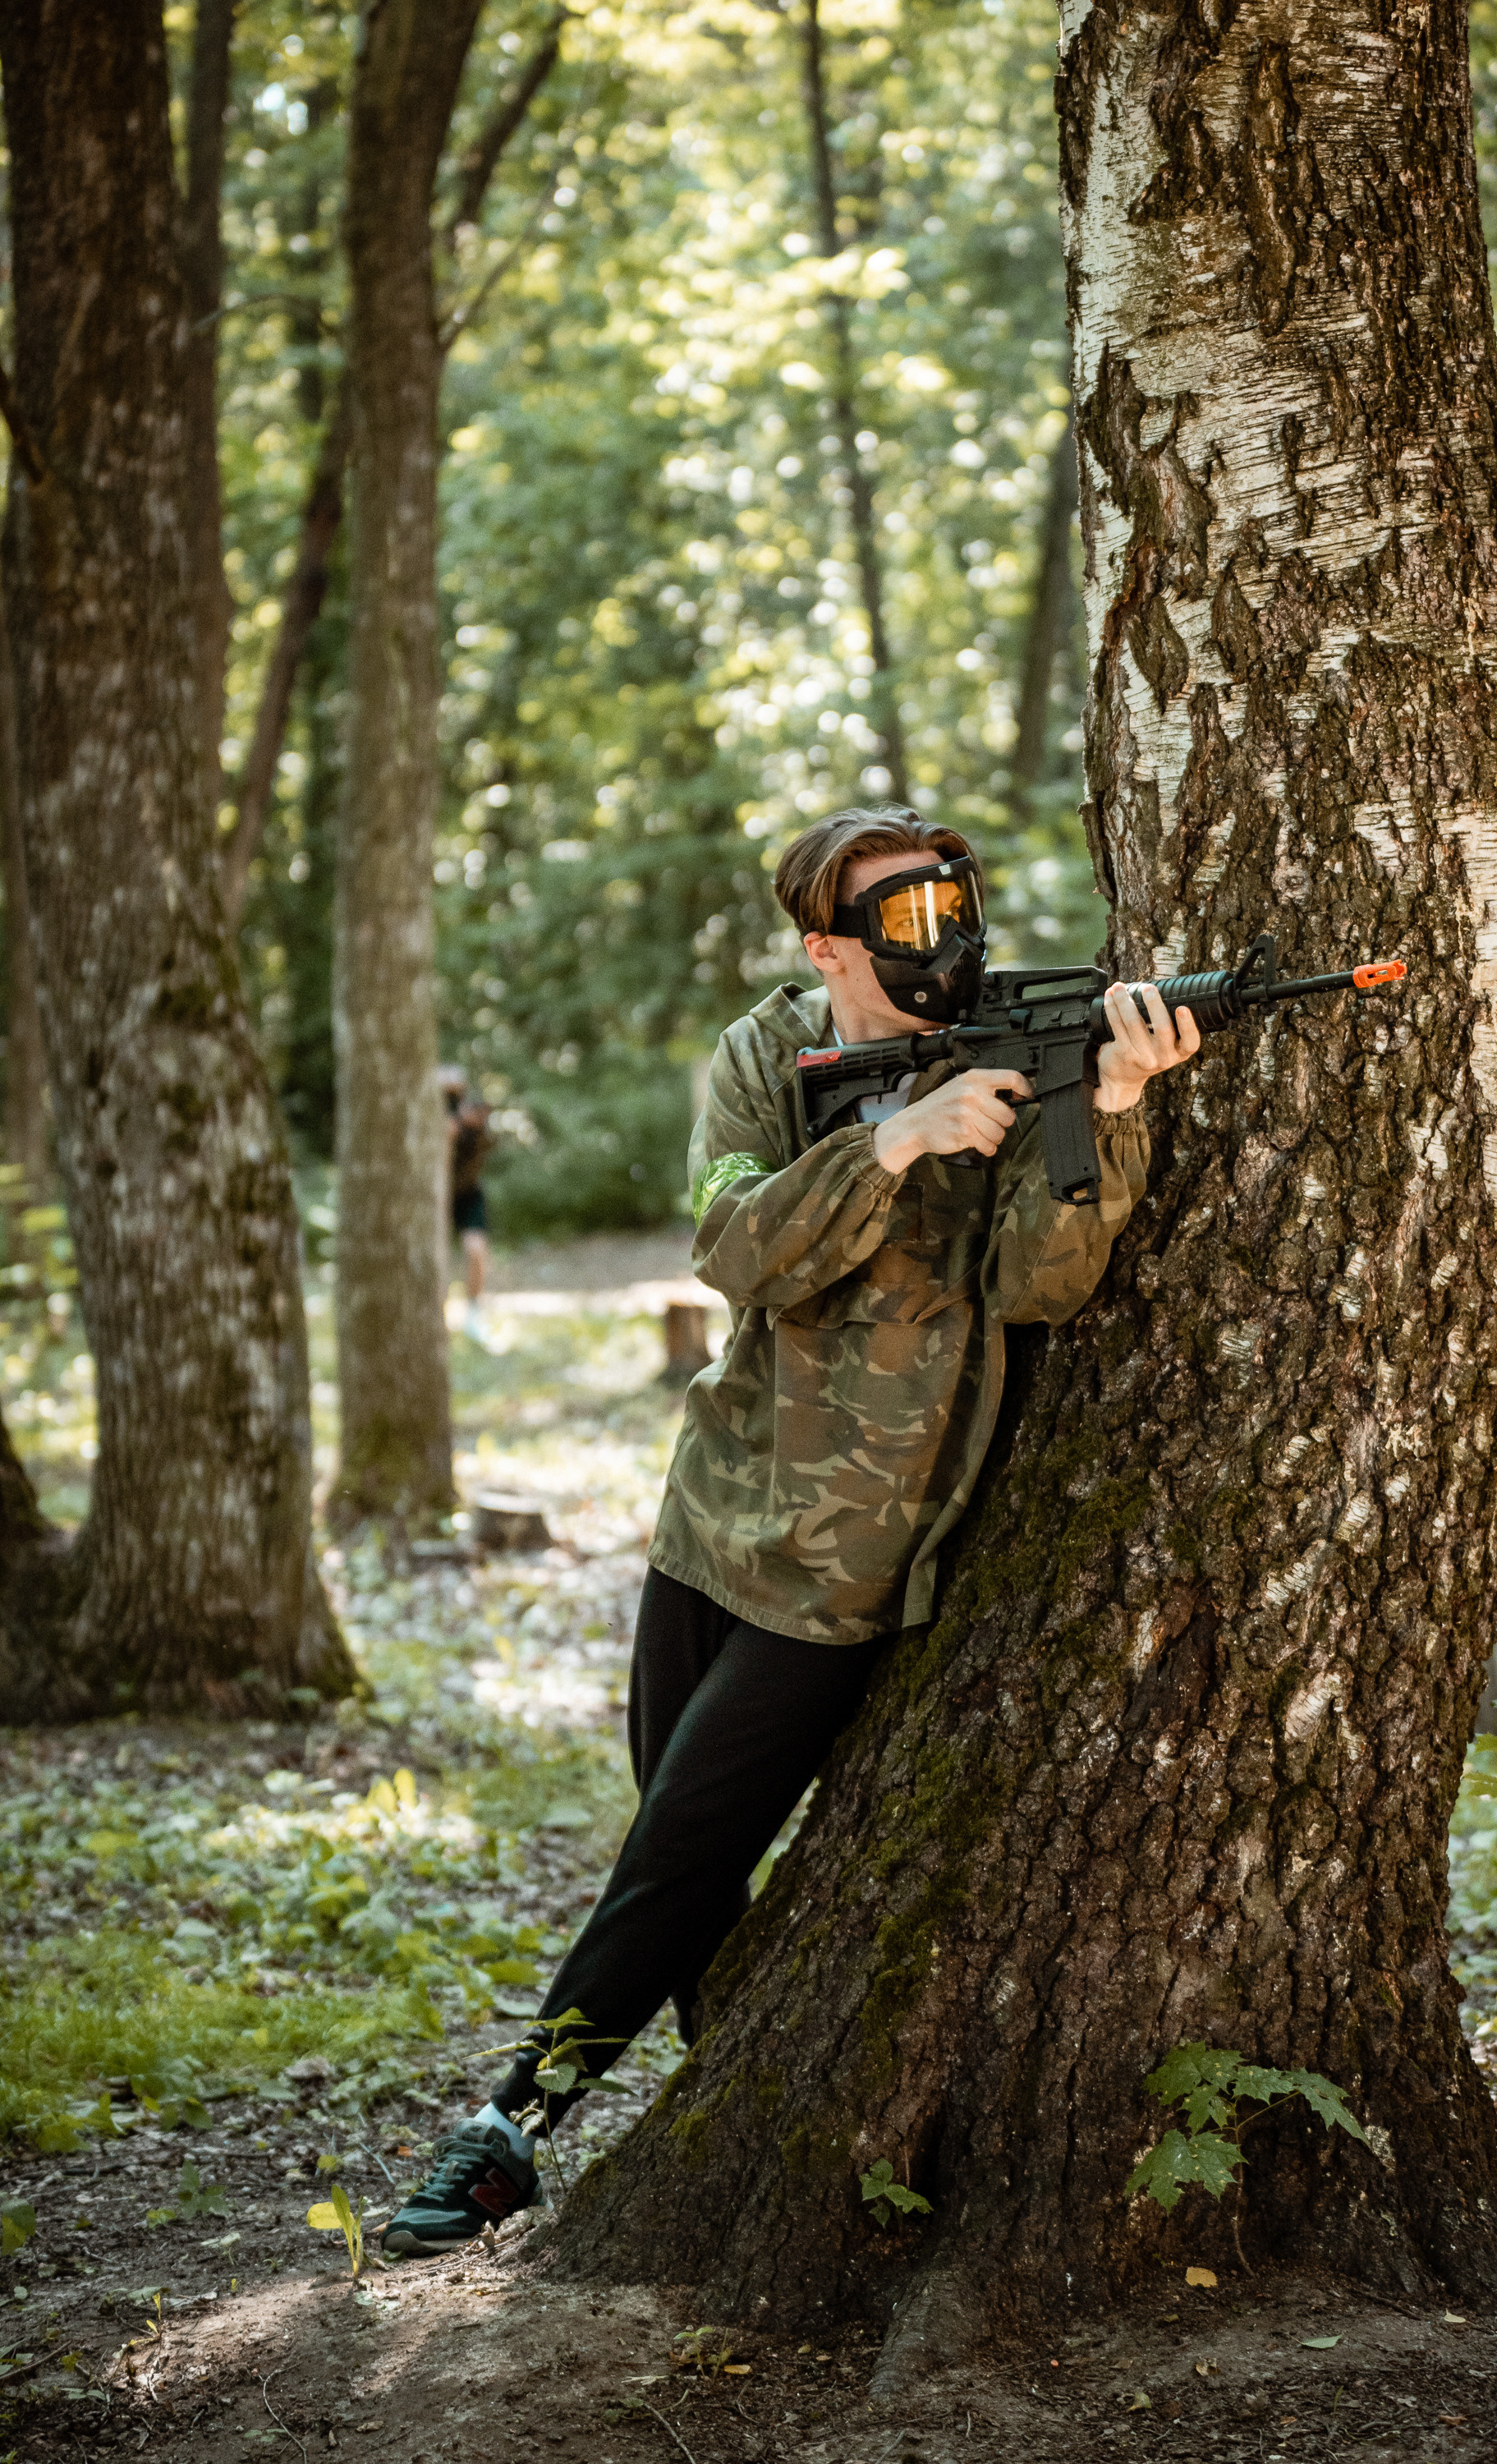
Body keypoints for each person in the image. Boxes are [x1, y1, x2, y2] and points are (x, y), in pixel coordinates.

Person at [383, 807, 1201, 2255]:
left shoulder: (1027, 1039)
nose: (940, 933)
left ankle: (515, 2123)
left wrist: (1112, 1109)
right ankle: (750, 2148)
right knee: (680, 1857)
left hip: (850, 1560)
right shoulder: (770, 1056)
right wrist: (892, 1143)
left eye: (950, 900)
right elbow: (731, 1247)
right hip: (710, 1515)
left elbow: (1038, 1285)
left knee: (676, 1858)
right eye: (897, 918)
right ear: (828, 948)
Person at [443, 1069, 494, 1342]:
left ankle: (473, 1314)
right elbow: (450, 1075)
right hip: (437, 1195)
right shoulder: (445, 1112)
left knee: (476, 1250)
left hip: (467, 1194)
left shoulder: (480, 1135)